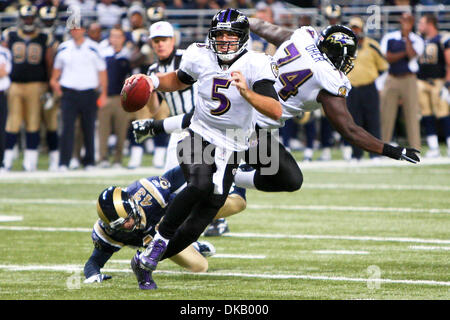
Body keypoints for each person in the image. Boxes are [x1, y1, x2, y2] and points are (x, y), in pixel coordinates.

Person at [135, 21, 421, 199]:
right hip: (253, 123)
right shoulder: (329, 80)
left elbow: (265, 27)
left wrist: (243, 21)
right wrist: (392, 150)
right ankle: (159, 202)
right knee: (210, 188)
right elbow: (350, 130)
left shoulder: (303, 38)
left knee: (242, 175)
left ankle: (210, 178)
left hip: (247, 113)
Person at [126, 8, 282, 289]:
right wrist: (153, 81)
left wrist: (247, 92)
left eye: (230, 35)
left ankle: (147, 258)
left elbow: (275, 110)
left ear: (242, 38)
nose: (223, 40)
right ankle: (155, 243)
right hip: (198, 134)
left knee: (207, 210)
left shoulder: (256, 63)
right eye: (219, 34)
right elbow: (179, 78)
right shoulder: (199, 54)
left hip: (233, 145)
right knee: (199, 185)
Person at [84, 166, 247, 287]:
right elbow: (94, 262)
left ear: (133, 204)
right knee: (200, 266)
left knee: (238, 205)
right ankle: (192, 246)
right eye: (120, 224)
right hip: (160, 242)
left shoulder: (149, 191)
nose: (128, 224)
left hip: (182, 213)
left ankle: (239, 171)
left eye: (127, 218)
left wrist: (206, 167)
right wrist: (93, 276)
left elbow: (179, 174)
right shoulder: (109, 233)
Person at [50, 19, 108, 171]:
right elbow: (55, 74)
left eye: (78, 28)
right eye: (73, 28)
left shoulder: (94, 48)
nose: (76, 31)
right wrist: (57, 87)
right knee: (67, 129)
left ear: (84, 30)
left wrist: (104, 93)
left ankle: (89, 162)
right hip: (69, 93)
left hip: (89, 93)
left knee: (89, 128)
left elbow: (102, 72)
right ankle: (64, 162)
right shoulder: (63, 48)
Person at [2, 5, 53, 171]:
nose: (28, 21)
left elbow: (49, 62)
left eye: (31, 18)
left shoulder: (44, 36)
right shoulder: (10, 34)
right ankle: (7, 161)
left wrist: (48, 84)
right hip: (15, 84)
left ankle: (30, 162)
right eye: (26, 18)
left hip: (36, 85)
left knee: (33, 122)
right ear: (21, 19)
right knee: (12, 122)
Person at [344, 17, 389, 161]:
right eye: (353, 29)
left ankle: (375, 153)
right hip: (351, 89)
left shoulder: (372, 45)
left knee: (372, 121)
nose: (355, 32)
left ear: (362, 29)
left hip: (369, 87)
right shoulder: (344, 46)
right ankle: (356, 154)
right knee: (354, 123)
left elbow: (383, 66)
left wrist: (379, 85)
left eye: (357, 28)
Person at [379, 12, 424, 152]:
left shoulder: (416, 39)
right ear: (400, 21)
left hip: (409, 78)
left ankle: (416, 147)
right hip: (392, 77)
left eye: (408, 20)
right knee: (386, 114)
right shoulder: (390, 37)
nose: (405, 23)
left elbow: (412, 55)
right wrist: (403, 52)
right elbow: (388, 58)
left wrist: (406, 38)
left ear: (412, 23)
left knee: (411, 114)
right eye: (404, 20)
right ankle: (383, 147)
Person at [97, 27, 132, 168]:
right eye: (113, 36)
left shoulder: (128, 55)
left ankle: (118, 159)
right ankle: (103, 158)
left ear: (123, 38)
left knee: (121, 130)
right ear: (109, 38)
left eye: (118, 36)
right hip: (106, 96)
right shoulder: (103, 54)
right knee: (103, 130)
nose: (115, 39)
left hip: (121, 98)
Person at [417, 13, 450, 158]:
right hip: (421, 81)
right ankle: (433, 147)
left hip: (438, 81)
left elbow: (449, 63)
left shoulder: (442, 38)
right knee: (426, 115)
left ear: (430, 24)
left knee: (443, 114)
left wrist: (447, 83)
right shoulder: (420, 40)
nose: (419, 26)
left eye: (422, 23)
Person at [0, 44, 11, 172]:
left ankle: (1, 162)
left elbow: (3, 72)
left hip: (1, 93)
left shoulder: (4, 52)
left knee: (1, 129)